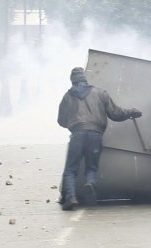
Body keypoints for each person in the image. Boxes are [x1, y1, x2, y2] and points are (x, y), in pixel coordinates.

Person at [57, 67, 142, 211]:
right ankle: (90, 183)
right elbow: (115, 113)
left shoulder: (67, 96)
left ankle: (71, 197)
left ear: (72, 80)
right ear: (84, 78)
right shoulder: (100, 93)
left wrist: (73, 124)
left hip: (77, 134)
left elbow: (61, 120)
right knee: (91, 167)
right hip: (95, 135)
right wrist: (130, 113)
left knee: (71, 169)